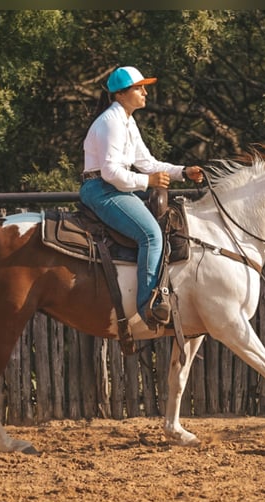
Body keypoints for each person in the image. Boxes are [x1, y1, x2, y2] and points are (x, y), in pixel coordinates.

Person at [80, 65, 204, 329]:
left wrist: (182, 171)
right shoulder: (111, 122)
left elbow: (146, 162)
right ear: (122, 93)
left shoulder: (126, 120)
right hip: (102, 189)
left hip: (112, 187)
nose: (145, 92)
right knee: (150, 234)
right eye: (140, 88)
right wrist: (146, 182)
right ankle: (149, 304)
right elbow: (111, 171)